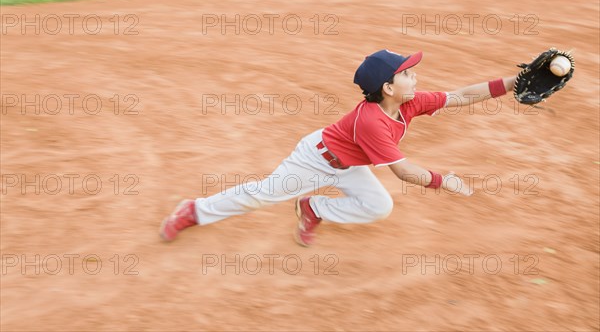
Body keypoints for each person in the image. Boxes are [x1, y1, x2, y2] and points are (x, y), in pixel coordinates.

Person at [160, 49, 516, 246]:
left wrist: (513, 82)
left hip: (351, 163)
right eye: (407, 73)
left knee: (379, 206)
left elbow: (461, 95)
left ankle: (314, 208)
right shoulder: (372, 121)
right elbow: (405, 172)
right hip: (314, 159)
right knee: (261, 194)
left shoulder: (409, 102)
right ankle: (193, 210)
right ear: (388, 88)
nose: (415, 76)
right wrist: (443, 181)